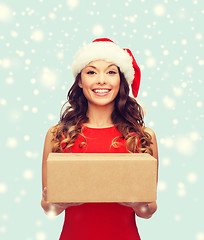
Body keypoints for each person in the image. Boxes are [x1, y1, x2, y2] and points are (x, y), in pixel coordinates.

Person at [41, 38, 158, 240]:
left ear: (121, 80)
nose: (101, 80)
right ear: (79, 80)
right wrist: (57, 203)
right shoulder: (57, 135)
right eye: (91, 72)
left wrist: (138, 204)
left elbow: (148, 211)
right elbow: (48, 209)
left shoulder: (143, 137)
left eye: (111, 72)